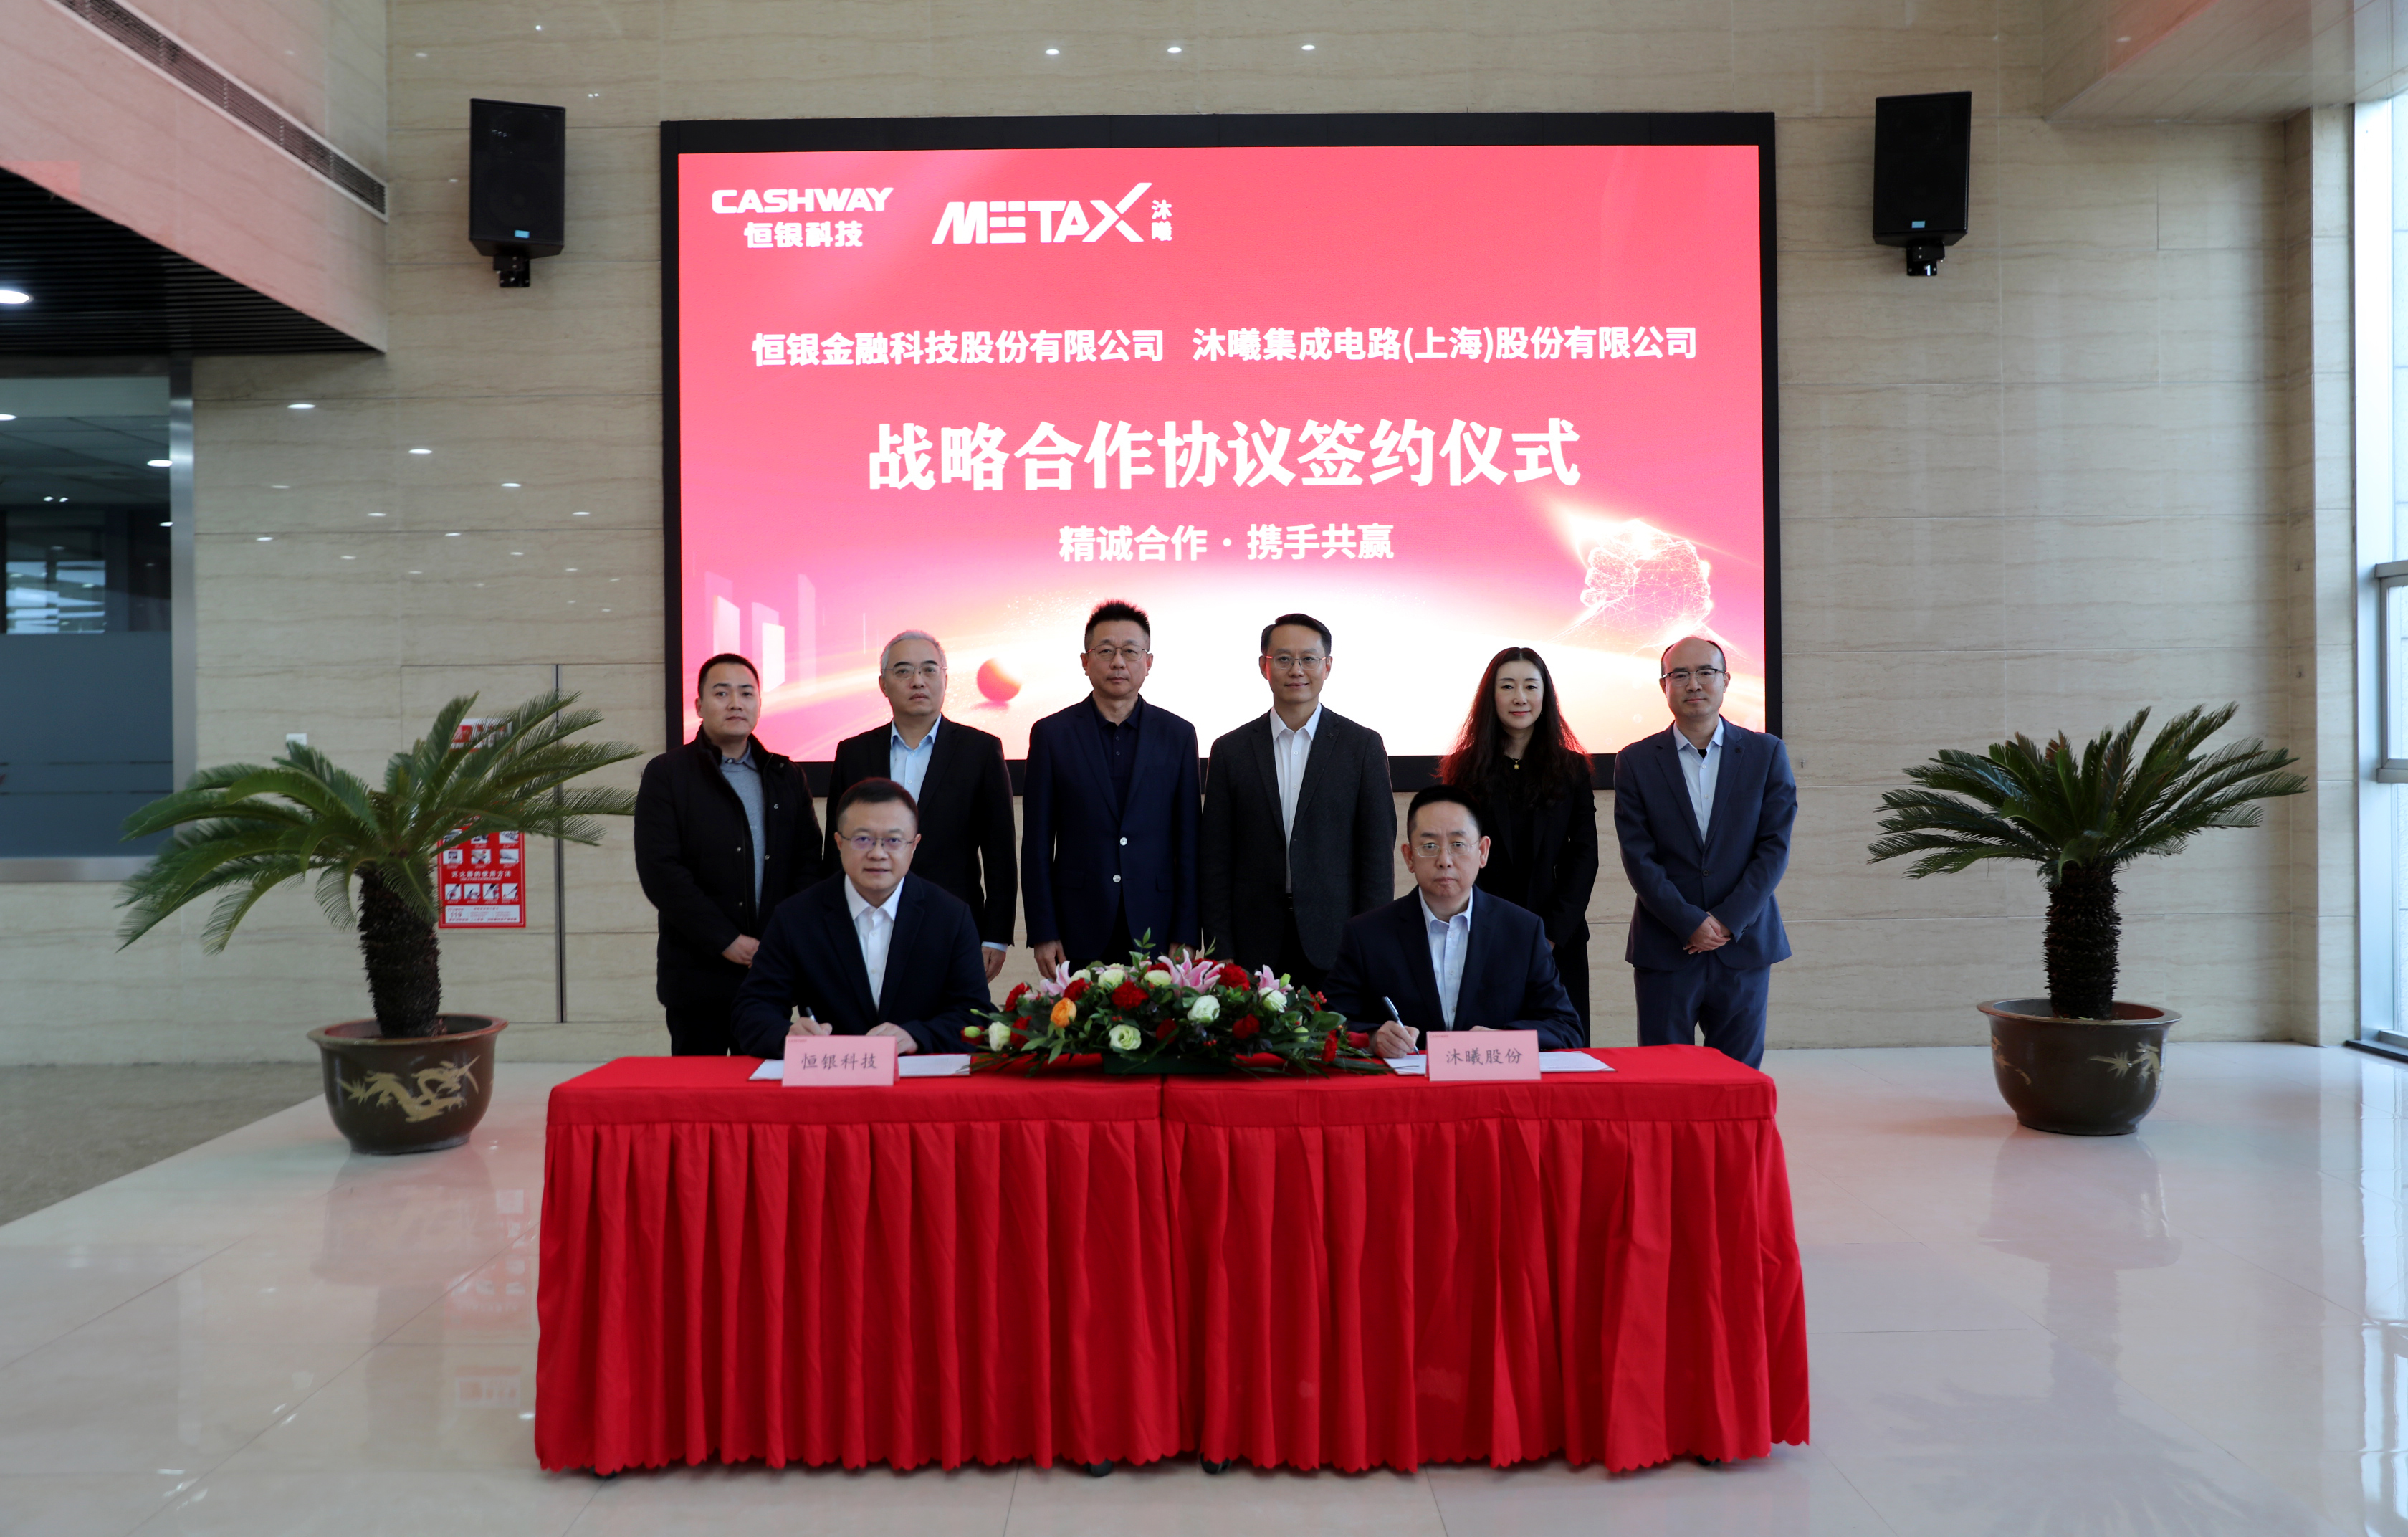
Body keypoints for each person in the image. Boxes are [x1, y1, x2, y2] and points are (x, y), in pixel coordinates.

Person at [1611, 636, 1795, 1069]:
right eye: (1680, 674)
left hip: (1744, 944)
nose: (1693, 684)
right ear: (1664, 686)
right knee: (1664, 1078)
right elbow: (1639, 856)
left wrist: (1728, 920)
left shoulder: (1766, 753)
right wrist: (1688, 922)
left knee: (1738, 1079)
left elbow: (1774, 847)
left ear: (1726, 680)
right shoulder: (1635, 761)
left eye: (1705, 672)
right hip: (1667, 944)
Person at [633, 652, 826, 1055]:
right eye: (722, 693)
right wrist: (726, 940)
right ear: (699, 705)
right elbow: (660, 871)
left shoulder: (786, 775)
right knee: (698, 1086)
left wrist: (779, 939)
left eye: (747, 693)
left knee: (761, 1083)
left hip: (769, 970)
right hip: (696, 972)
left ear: (759, 703)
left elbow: (808, 863)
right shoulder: (667, 774)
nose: (736, 703)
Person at [1199, 613, 1395, 989]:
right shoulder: (1230, 750)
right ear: (1264, 666)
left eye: (1309, 659)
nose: (1296, 670)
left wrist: (1371, 943)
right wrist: (1219, 945)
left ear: (1328, 666)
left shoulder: (1362, 747)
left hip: (1337, 941)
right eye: (1284, 659)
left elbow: (1376, 857)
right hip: (1251, 943)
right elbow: (1215, 859)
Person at [732, 779, 991, 1058]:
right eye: (862, 839)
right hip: (830, 1074)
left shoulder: (950, 917)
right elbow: (752, 1010)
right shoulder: (796, 916)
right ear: (839, 842)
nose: (877, 854)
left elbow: (976, 1016)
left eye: (893, 841)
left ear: (914, 845)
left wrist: (917, 1036)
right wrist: (788, 1036)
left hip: (917, 1075)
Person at [1322, 784, 1583, 1055]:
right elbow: (1325, 1024)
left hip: (1491, 1080)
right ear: (1409, 857)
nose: (1444, 860)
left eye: (1458, 844)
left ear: (1483, 851)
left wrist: (1504, 1039)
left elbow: (1566, 1028)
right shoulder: (1366, 934)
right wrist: (1372, 1038)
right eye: (1429, 846)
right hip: (1407, 1081)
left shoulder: (1522, 930)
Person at [825, 630, 1017, 982]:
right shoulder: (853, 753)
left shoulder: (980, 750)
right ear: (883, 684)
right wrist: (829, 925)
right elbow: (835, 851)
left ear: (945, 679)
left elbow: (1000, 853)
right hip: (865, 923)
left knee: (949, 1017)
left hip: (952, 926)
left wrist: (996, 936)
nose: (918, 681)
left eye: (929, 670)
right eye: (903, 671)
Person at [1021, 599, 1201, 974]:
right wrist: (1043, 931)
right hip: (1076, 925)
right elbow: (1037, 844)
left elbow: (1189, 843)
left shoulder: (1178, 735)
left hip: (1156, 922)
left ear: (1148, 662)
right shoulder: (1052, 735)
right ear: (1085, 662)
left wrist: (1186, 930)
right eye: (1105, 651)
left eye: (1130, 651)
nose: (1118, 662)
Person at [1438, 647, 1600, 1032]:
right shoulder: (1464, 769)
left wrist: (1552, 934)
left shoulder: (1572, 768)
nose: (1520, 697)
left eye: (1531, 686)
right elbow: (1458, 853)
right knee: (1487, 1047)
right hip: (1484, 935)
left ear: (1546, 696)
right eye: (1507, 686)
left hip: (1558, 938)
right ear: (1490, 697)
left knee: (1560, 1047)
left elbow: (1584, 855)